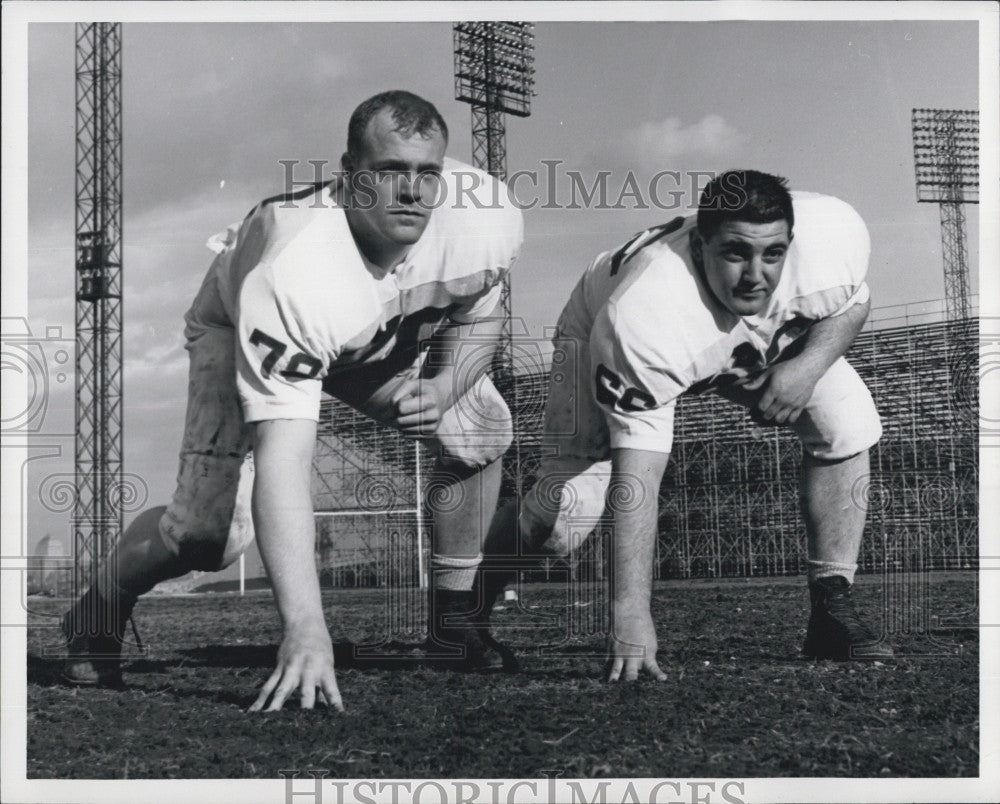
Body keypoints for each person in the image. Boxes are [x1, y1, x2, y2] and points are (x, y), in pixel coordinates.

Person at [61, 90, 524, 710]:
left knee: (481, 427)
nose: (412, 192)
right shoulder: (296, 264)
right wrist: (307, 629)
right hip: (242, 324)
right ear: (349, 173)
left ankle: (453, 620)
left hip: (366, 333)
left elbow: (478, 318)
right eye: (389, 171)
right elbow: (284, 460)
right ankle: (99, 606)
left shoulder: (485, 218)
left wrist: (444, 387)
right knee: (209, 537)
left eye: (427, 173)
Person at [474, 169, 892, 681]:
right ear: (699, 246)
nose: (755, 275)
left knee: (847, 423)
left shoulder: (833, 233)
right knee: (564, 518)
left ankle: (832, 606)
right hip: (605, 327)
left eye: (773, 254)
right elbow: (637, 480)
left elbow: (852, 302)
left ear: (793, 242)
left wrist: (805, 367)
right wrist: (630, 612)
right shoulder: (644, 316)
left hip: (750, 337)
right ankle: (466, 604)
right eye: (735, 253)